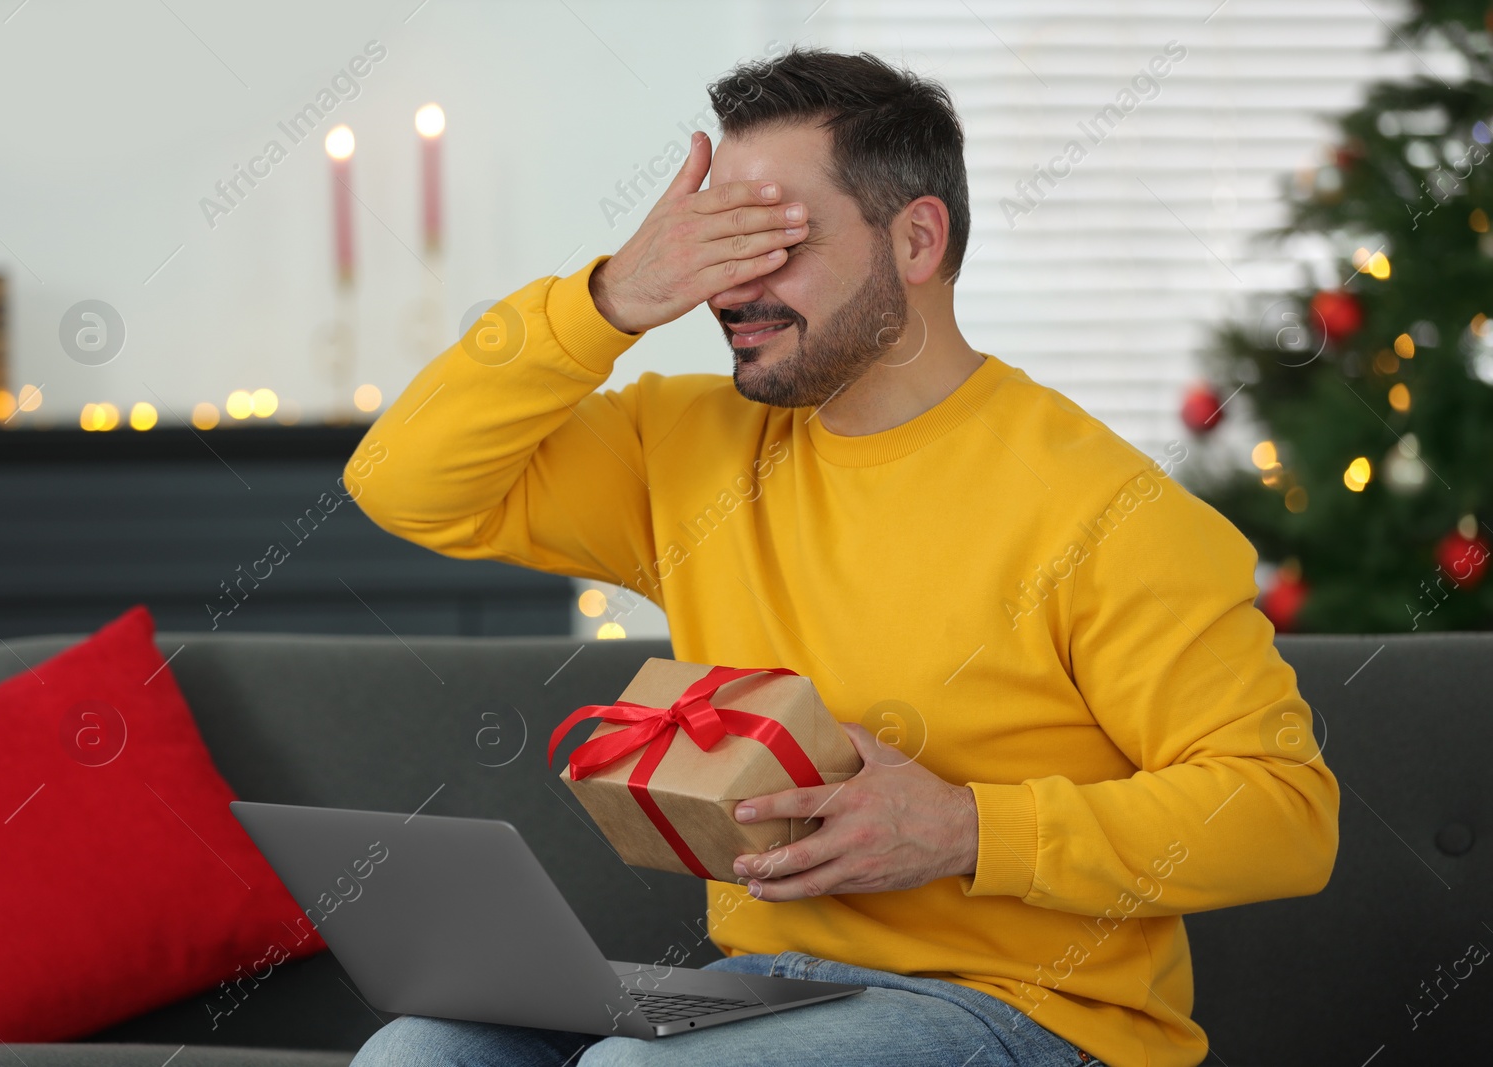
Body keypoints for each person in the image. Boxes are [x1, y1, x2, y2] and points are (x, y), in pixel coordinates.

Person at [343, 45, 1338, 1067]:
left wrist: (963, 828)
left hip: (1026, 1016)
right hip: (760, 989)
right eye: (714, 243)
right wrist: (607, 300)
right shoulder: (683, 448)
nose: (732, 287)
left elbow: (1284, 813)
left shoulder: (1106, 508)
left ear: (915, 237)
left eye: (775, 237)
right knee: (418, 1050)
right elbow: (402, 482)